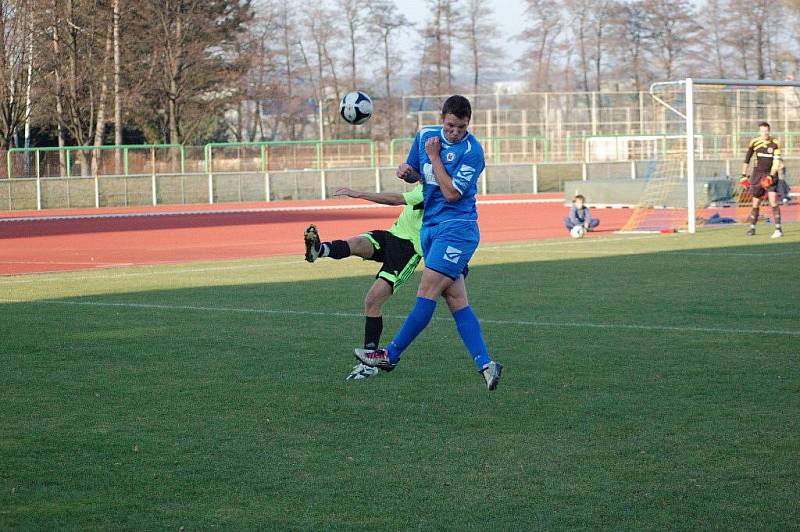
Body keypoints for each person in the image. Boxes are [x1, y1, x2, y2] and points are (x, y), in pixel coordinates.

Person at [353, 95, 503, 391]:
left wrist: (435, 157)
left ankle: (390, 355)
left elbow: (451, 194)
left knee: (426, 290)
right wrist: (407, 172)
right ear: (441, 118)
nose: (454, 133)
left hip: (457, 228)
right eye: (450, 126)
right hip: (430, 227)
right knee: (456, 299)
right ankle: (486, 364)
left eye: (461, 127)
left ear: (468, 124)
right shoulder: (424, 135)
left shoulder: (473, 152)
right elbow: (417, 177)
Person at [304, 184, 424, 380]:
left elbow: (394, 199)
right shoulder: (426, 178)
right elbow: (415, 172)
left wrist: (359, 193)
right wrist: (407, 170)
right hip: (392, 236)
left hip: (407, 252)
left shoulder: (433, 190)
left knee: (372, 301)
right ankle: (320, 250)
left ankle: (369, 364)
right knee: (358, 243)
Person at [740, 122, 784, 238]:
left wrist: (771, 175)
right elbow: (747, 160)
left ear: (769, 131)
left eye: (766, 131)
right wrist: (743, 175)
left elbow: (776, 161)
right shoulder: (754, 142)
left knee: (773, 200)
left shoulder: (775, 143)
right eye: (762, 131)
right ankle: (752, 228)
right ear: (760, 132)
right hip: (757, 175)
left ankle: (778, 229)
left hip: (770, 174)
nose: (764, 133)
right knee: (756, 202)